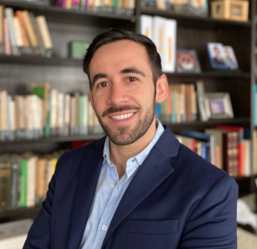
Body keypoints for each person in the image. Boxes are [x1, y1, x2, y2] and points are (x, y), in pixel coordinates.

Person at [23, 30, 238, 249]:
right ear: (91, 98)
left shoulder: (210, 190)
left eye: (131, 78)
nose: (115, 98)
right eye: (103, 84)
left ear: (160, 89)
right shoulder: (69, 165)